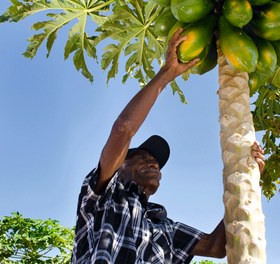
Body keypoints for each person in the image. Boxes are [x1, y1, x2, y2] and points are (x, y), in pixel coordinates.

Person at [71, 28, 265, 263]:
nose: (153, 162)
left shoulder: (166, 229)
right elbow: (123, 129)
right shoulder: (103, 196)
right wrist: (167, 73)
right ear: (120, 165)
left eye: (155, 162)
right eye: (142, 157)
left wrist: (251, 177)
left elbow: (216, 247)